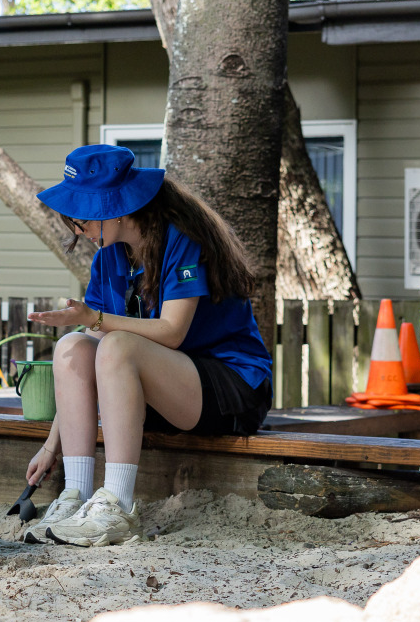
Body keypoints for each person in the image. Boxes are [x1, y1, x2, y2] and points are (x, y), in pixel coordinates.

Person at [21, 144, 272, 547]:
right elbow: (90, 348)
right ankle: (79, 498)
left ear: (116, 207)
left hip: (230, 387)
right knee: (72, 347)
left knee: (116, 345)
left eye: (81, 215)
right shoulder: (108, 260)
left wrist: (94, 319)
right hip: (162, 392)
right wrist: (52, 446)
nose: (76, 228)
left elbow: (172, 332)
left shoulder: (183, 240)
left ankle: (117, 506)